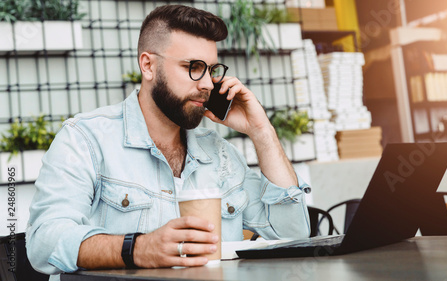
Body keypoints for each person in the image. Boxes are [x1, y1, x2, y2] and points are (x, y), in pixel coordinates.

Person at [26, 4, 311, 279]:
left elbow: (293, 234)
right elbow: (44, 242)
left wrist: (261, 130)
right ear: (148, 66)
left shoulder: (220, 153)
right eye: (193, 67)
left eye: (211, 70)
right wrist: (138, 249)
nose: (208, 84)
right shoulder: (85, 139)